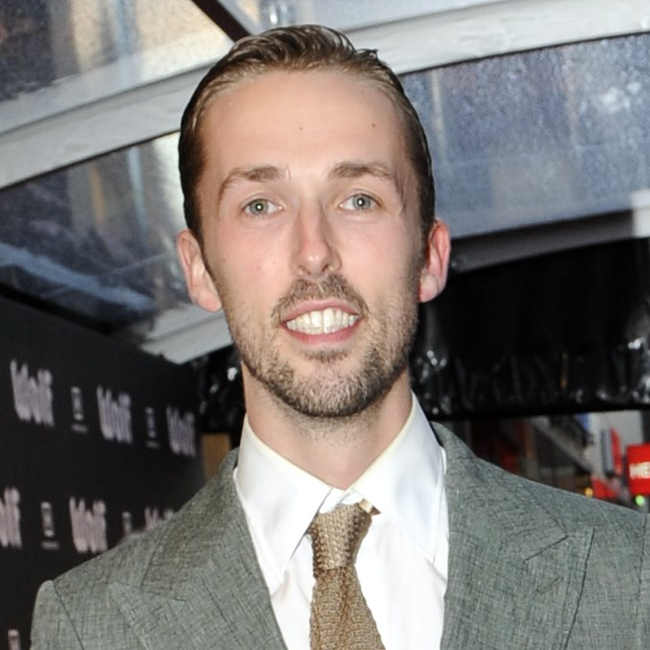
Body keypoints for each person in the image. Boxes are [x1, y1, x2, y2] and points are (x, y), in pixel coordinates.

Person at [31, 25, 649, 650]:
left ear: (429, 257)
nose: (314, 252)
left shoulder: (629, 578)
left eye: (358, 200)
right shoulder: (90, 626)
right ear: (199, 270)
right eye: (260, 205)